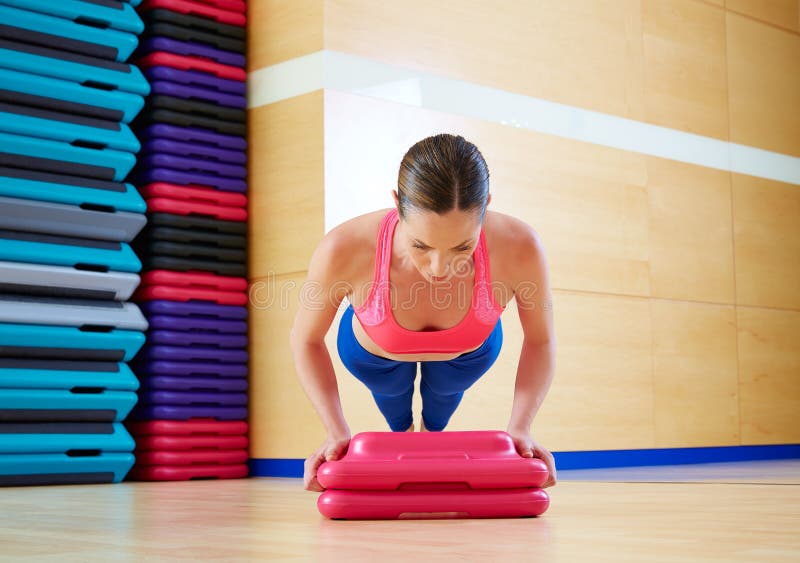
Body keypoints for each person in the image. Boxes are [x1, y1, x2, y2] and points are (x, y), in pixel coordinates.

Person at [290, 133, 557, 492]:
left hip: (467, 355)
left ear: (486, 207)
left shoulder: (521, 246)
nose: (439, 268)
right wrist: (334, 430)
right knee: (394, 405)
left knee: (441, 404)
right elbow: (305, 340)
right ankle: (404, 432)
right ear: (397, 205)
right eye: (420, 245)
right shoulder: (343, 247)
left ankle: (430, 432)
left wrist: (521, 427)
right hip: (374, 356)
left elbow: (540, 340)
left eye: (462, 246)